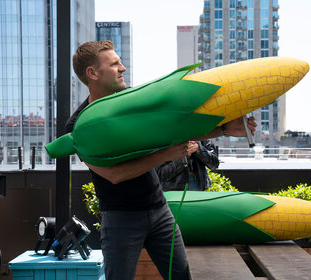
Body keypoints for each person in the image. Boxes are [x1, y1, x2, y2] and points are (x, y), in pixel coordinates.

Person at [66, 40, 256, 280]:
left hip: (159, 211)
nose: (122, 68)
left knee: (182, 276)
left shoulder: (133, 101)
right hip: (120, 219)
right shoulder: (77, 126)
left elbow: (173, 130)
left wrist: (227, 129)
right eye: (114, 64)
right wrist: (165, 155)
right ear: (92, 73)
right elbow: (115, 174)